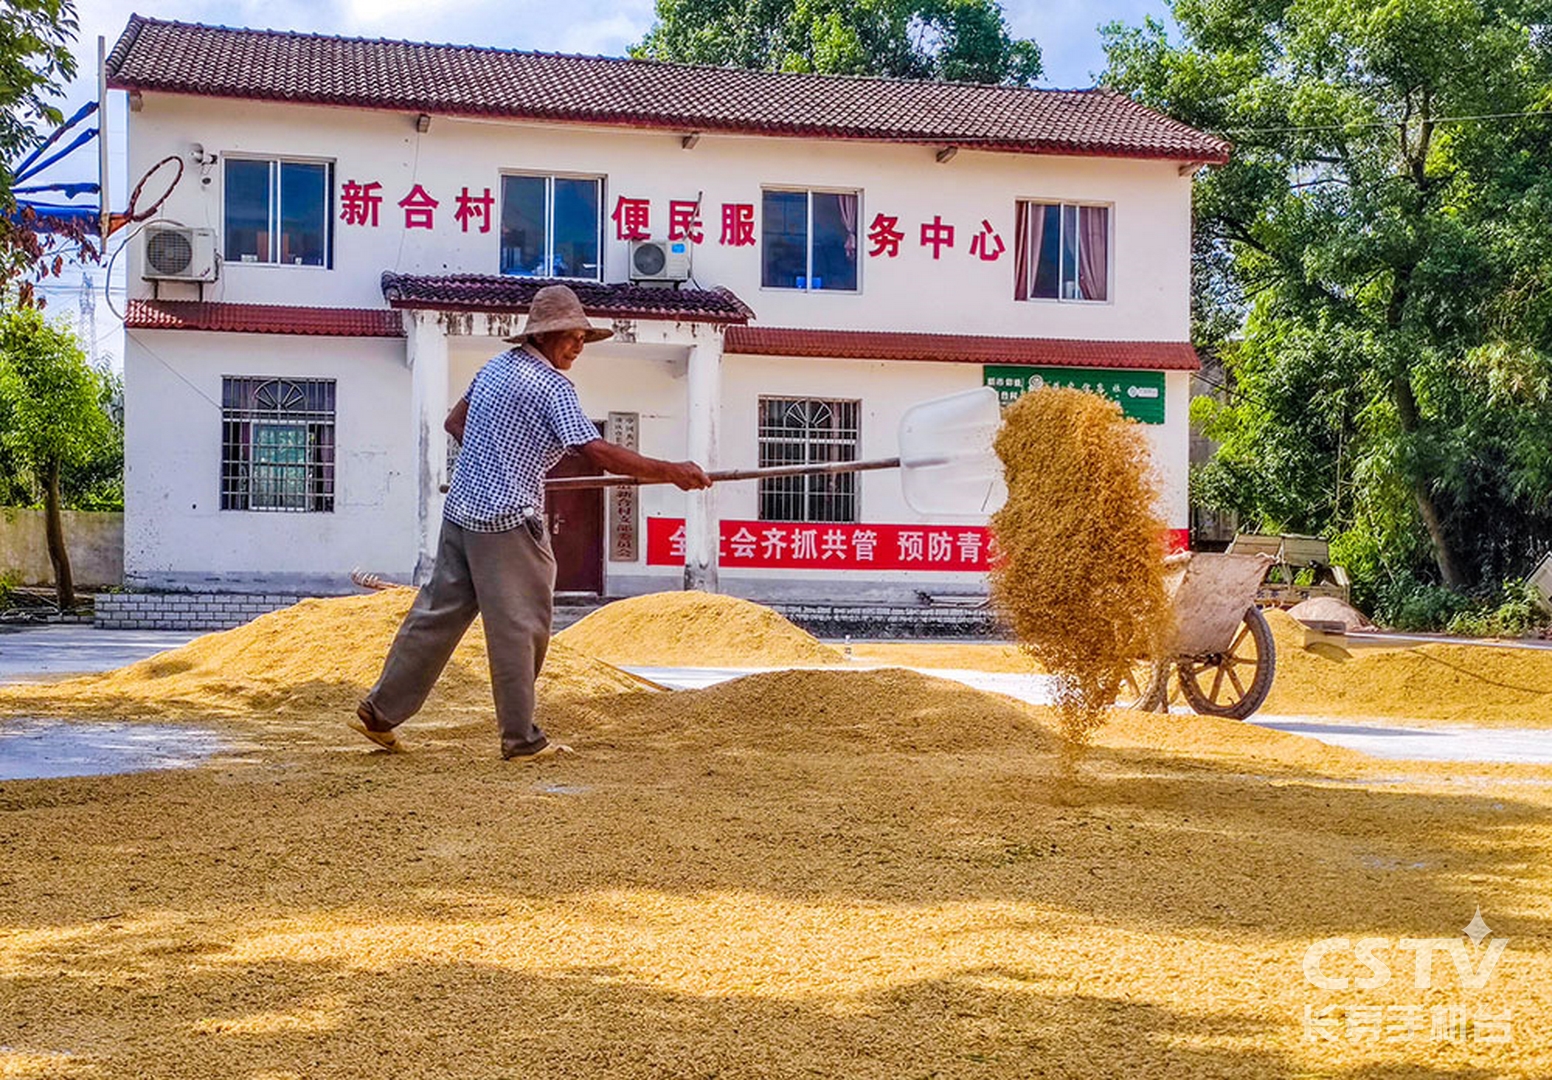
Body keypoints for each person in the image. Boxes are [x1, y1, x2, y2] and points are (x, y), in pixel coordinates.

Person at [350, 284, 711, 759]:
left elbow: (455, 423)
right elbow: (594, 450)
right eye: (572, 337)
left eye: (583, 337)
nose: (579, 346)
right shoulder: (551, 386)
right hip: (507, 521)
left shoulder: (494, 369)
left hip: (462, 511)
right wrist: (671, 471)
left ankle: (380, 713)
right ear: (545, 335)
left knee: (435, 616)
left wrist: (503, 458)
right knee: (521, 628)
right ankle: (520, 739)